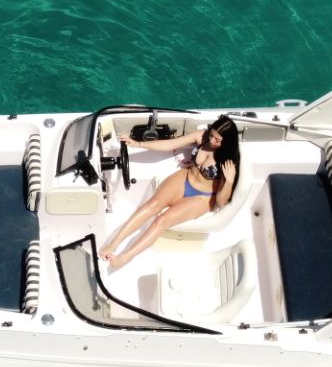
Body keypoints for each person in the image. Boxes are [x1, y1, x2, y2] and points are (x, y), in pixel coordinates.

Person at [99, 115, 241, 272]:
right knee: (152, 205)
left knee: (162, 220)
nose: (212, 140)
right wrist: (138, 143)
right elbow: (171, 144)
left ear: (226, 142)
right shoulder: (203, 136)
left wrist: (228, 181)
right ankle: (115, 242)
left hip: (202, 197)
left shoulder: (227, 161)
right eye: (212, 135)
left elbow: (221, 202)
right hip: (186, 177)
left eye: (217, 140)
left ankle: (125, 258)